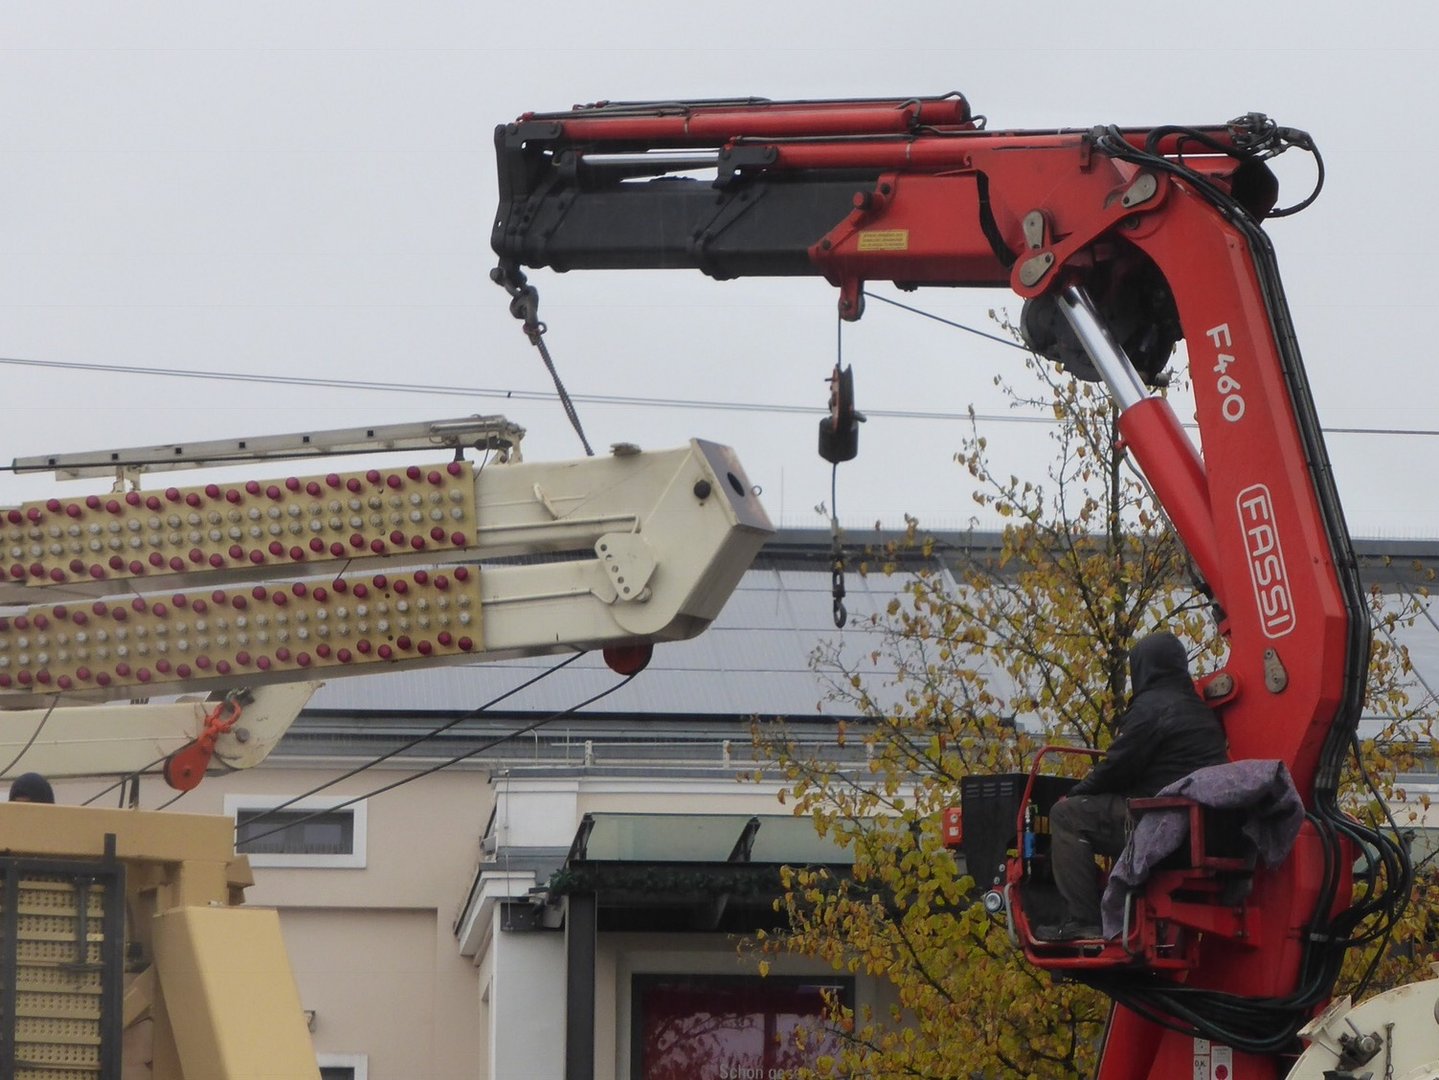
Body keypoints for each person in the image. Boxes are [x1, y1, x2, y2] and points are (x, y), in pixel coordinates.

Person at [1037, 631, 1228, 941]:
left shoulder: (1151, 707)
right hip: (1203, 829)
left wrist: (1076, 793)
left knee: (1066, 816)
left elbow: (1118, 767)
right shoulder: (1199, 711)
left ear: (1143, 668)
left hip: (1162, 825)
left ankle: (1083, 920)